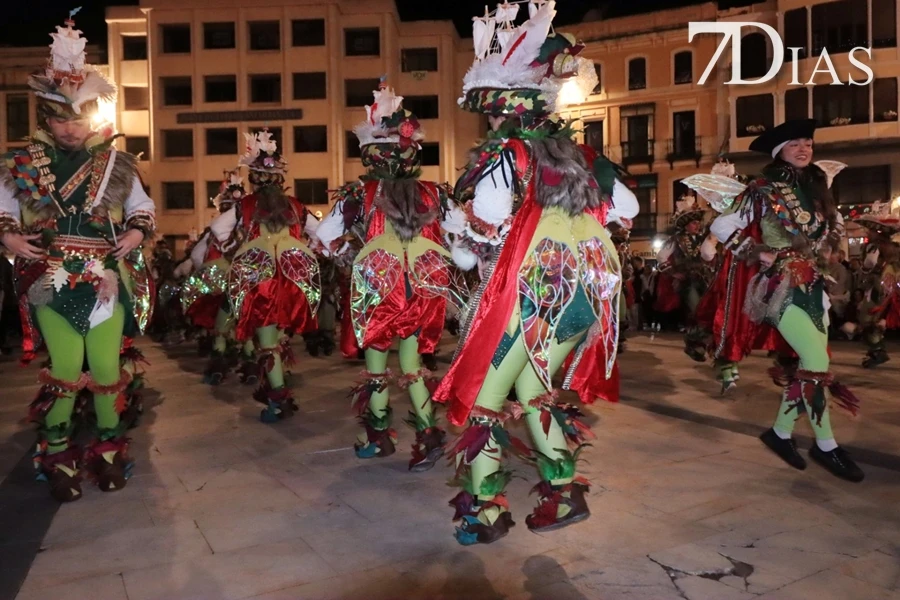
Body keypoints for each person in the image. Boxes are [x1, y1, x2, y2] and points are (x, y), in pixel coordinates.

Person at [434, 1, 639, 544]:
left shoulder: (506, 156)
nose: (488, 123)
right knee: (532, 391)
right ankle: (564, 491)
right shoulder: (584, 156)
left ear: (502, 112)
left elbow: (482, 233)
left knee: (483, 399)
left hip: (529, 300)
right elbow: (628, 209)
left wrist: (458, 230)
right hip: (584, 295)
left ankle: (485, 510)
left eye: (490, 114)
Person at [0, 11, 156, 501]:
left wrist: (136, 231)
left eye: (77, 118)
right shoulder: (20, 163)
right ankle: (56, 452)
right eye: (60, 118)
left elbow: (143, 207)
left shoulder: (116, 162)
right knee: (66, 369)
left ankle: (109, 450)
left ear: (90, 117)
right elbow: (3, 211)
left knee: (106, 369)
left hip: (104, 275)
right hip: (48, 278)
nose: (69, 128)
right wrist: (8, 237)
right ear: (46, 119)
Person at [315, 80, 464, 470]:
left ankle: (378, 437)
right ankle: (428, 435)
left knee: (377, 368)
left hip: (378, 287)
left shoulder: (359, 195)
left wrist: (348, 254)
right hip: (423, 287)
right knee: (412, 366)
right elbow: (464, 233)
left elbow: (325, 234)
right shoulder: (435, 193)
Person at [706, 118, 863, 482]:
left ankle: (779, 433)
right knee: (816, 362)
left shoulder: (817, 187)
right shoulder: (762, 189)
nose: (804, 148)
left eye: (808, 142)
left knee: (812, 363)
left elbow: (833, 226)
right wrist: (759, 252)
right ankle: (826, 445)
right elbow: (721, 226)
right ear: (780, 151)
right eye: (795, 143)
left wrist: (831, 242)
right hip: (781, 285)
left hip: (815, 286)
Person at [213, 130, 320, 422]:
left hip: (261, 280)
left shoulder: (244, 206)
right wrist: (306, 249)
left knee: (268, 341)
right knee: (278, 337)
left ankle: (278, 399)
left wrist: (235, 250)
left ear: (254, 180)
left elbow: (218, 230)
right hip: (293, 280)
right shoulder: (296, 206)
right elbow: (321, 234)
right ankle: (278, 384)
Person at [653, 194, 714, 359]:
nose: (697, 225)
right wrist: (673, 273)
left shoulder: (703, 239)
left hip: (705, 279)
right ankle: (694, 344)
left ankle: (700, 345)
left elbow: (710, 256)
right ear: (686, 225)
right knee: (695, 310)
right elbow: (661, 257)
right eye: (694, 223)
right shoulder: (676, 240)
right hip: (688, 281)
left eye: (698, 222)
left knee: (707, 309)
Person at [851, 203, 900, 368]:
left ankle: (877, 350)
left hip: (881, 286)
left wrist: (865, 270)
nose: (867, 233)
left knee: (868, 318)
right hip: (888, 285)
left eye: (869, 231)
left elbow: (870, 264)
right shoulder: (892, 247)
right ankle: (876, 350)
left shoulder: (875, 246)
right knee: (875, 318)